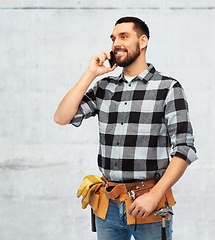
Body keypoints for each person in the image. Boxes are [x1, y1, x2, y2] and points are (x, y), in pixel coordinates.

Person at [54, 16, 198, 240]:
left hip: (149, 204)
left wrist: (154, 195)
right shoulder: (104, 87)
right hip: (107, 204)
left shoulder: (168, 88)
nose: (116, 43)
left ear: (142, 41)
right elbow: (62, 117)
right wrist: (91, 73)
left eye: (123, 36)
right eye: (113, 38)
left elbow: (184, 148)